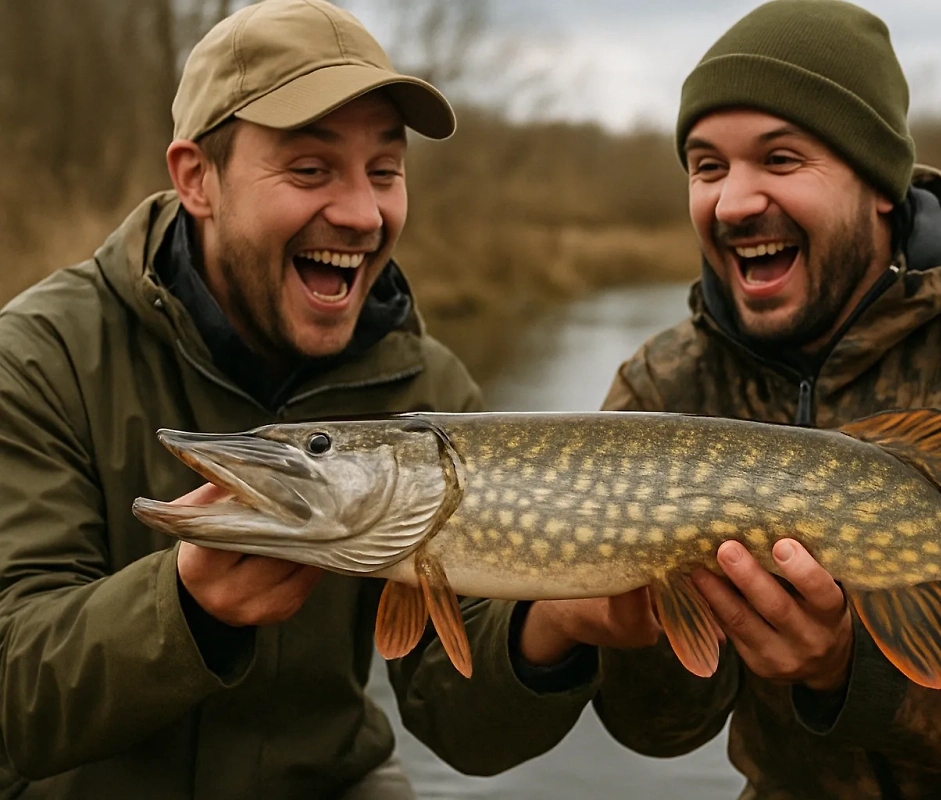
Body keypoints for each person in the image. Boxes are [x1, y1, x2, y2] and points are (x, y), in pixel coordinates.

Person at [513, 0, 941, 796]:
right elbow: (661, 730)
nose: (734, 202)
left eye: (780, 159)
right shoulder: (668, 383)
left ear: (879, 181)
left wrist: (853, 666)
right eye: (707, 166)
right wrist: (590, 626)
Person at [0, 1, 594, 796]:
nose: (359, 213)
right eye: (310, 170)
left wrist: (552, 628)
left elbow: (463, 725)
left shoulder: (429, 393)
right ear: (196, 179)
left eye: (385, 172)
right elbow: (13, 694)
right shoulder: (41, 360)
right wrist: (186, 606)